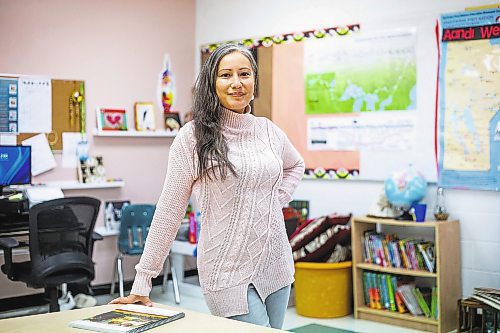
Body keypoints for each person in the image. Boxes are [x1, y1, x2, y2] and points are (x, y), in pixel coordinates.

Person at [110, 43, 305, 329]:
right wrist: (143, 278)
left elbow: (295, 165)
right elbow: (169, 210)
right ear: (211, 83)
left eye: (244, 74)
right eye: (226, 75)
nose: (237, 83)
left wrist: (275, 201)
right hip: (225, 271)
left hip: (276, 265)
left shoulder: (268, 131)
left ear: (254, 80)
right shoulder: (192, 138)